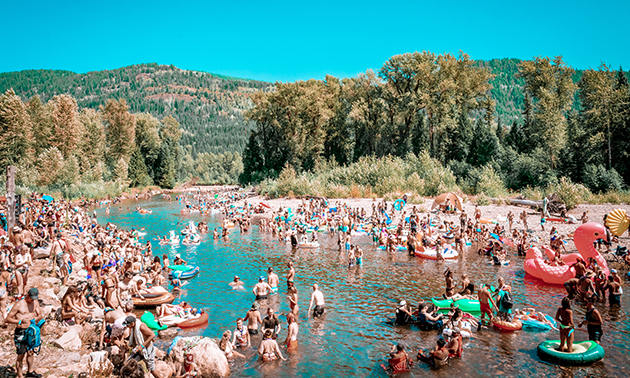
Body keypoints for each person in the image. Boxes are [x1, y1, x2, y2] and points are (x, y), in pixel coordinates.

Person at [6, 288, 43, 378]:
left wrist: (33, 320)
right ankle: (20, 375)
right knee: (21, 354)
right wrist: (19, 321)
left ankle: (30, 372)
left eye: (34, 298)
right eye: (31, 298)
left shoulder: (35, 302)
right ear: (27, 295)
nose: (32, 300)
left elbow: (40, 315)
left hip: (31, 330)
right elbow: (7, 319)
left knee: (30, 352)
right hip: (21, 332)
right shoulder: (19, 305)